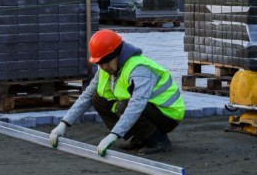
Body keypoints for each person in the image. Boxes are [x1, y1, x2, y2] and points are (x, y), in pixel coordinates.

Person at [49, 29, 185, 156]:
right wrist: (63, 124)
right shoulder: (105, 69)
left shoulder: (138, 69)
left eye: (106, 62)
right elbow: (87, 96)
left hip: (167, 114)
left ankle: (159, 141)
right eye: (100, 63)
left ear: (117, 55)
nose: (103, 67)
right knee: (97, 99)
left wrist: (113, 135)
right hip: (148, 109)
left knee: (123, 106)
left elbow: (136, 105)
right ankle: (138, 138)